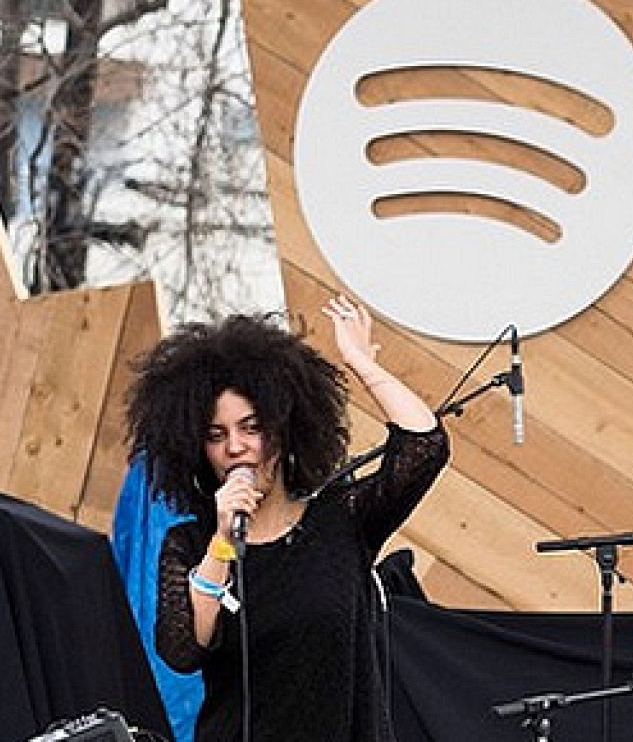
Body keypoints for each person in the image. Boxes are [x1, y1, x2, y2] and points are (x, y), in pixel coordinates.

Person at [128, 297, 449, 741]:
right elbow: (182, 651)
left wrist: (360, 362)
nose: (235, 447)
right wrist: (223, 541)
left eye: (251, 427)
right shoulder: (193, 543)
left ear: (281, 432)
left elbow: (425, 446)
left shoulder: (342, 520)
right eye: (217, 436)